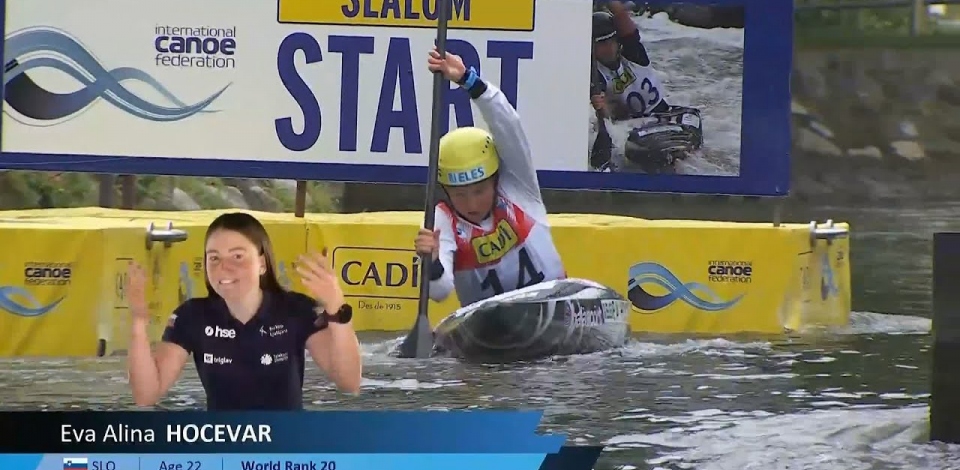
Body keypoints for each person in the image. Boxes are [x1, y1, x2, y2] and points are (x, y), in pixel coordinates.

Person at [127, 212, 362, 410]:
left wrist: (336, 308)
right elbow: (147, 396)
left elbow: (349, 382)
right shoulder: (193, 316)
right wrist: (138, 324)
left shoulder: (295, 310)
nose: (224, 267)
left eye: (237, 256)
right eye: (214, 258)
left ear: (262, 263)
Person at [413, 48, 566, 308]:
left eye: (479, 191)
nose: (471, 204)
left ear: (495, 179)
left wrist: (468, 80)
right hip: (492, 327)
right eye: (460, 194)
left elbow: (508, 123)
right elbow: (439, 292)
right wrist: (433, 262)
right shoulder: (442, 218)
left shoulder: (518, 185)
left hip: (553, 306)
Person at [590, 1, 671, 122]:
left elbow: (621, 16)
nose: (609, 48)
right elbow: (606, 113)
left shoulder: (633, 54)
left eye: (611, 41)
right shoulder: (595, 74)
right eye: (601, 44)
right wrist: (599, 104)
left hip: (661, 113)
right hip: (630, 125)